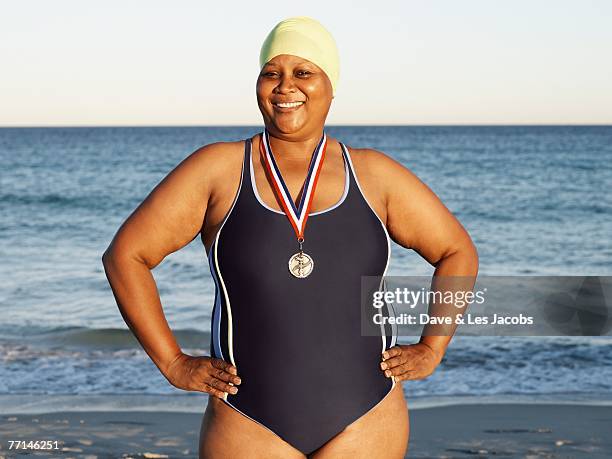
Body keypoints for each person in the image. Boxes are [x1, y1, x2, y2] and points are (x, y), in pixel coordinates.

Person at [102, 16, 478, 459]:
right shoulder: (218, 170)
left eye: (304, 72)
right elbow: (126, 255)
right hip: (247, 420)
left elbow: (457, 252)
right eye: (271, 73)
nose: (285, 87)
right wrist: (172, 362)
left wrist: (433, 346)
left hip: (366, 418)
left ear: (330, 86)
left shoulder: (375, 176)